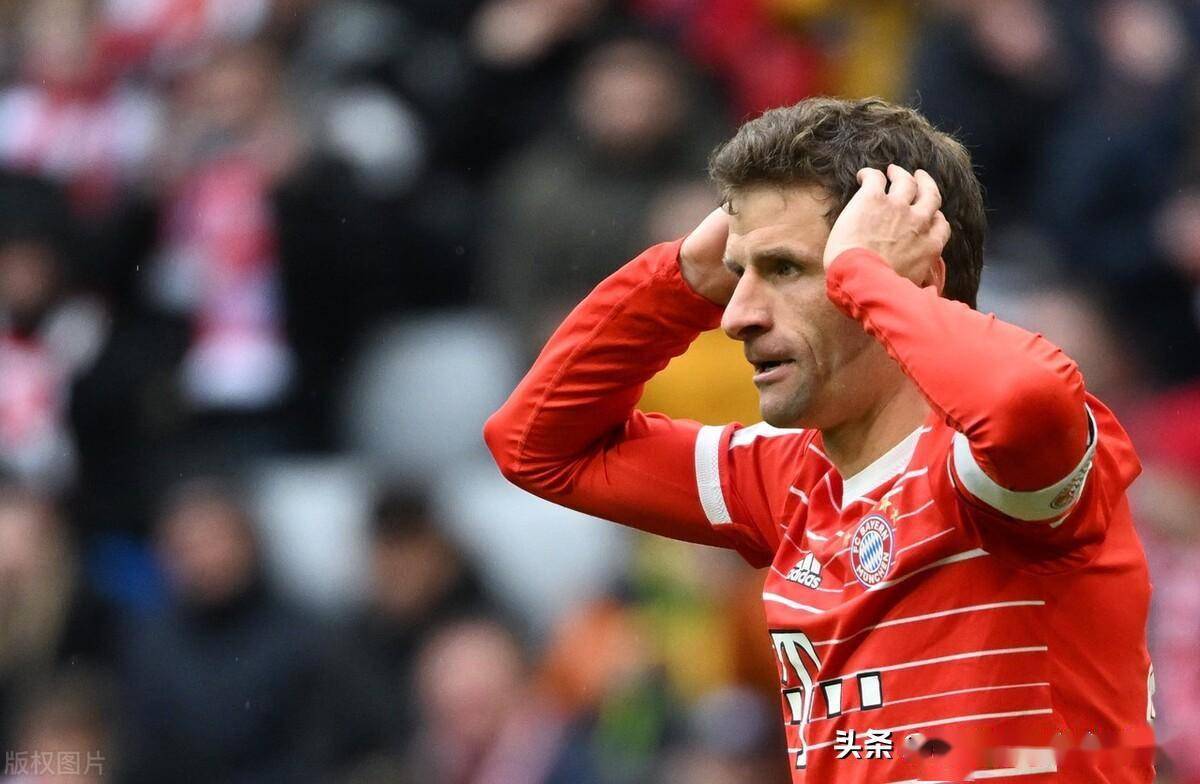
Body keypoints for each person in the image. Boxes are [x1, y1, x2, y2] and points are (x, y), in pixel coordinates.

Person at [484, 97, 1153, 782]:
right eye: (737, 275)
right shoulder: (787, 479)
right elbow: (536, 446)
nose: (736, 316)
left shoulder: (1007, 469)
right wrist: (681, 279)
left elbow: (1022, 400)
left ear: (911, 276)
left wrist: (865, 277)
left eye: (785, 269)